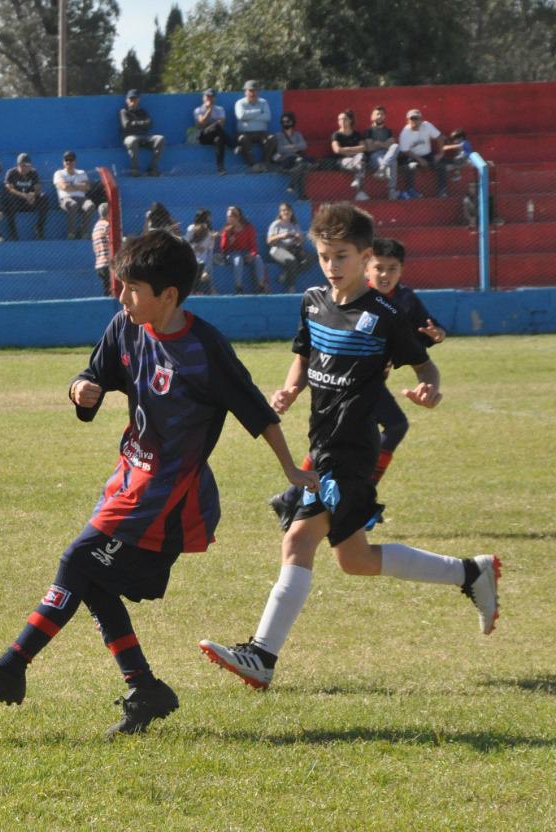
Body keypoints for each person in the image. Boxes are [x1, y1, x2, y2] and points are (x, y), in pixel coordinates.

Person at [0, 230, 319, 737]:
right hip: (126, 481)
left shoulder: (204, 348)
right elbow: (92, 377)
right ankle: (145, 689)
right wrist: (81, 391)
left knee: (78, 562)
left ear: (169, 296)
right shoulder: (125, 325)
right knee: (92, 581)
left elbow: (254, 409)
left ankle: (11, 670)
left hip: (170, 500)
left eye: (133, 288)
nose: (121, 297)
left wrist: (291, 468)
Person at [199, 204, 500, 691]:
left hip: (351, 450)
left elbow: (423, 365)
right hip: (321, 443)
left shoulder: (383, 315)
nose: (332, 265)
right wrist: (291, 388)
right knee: (354, 559)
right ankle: (470, 573)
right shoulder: (314, 300)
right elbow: (304, 352)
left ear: (366, 256)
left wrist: (430, 388)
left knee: (297, 541)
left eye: (342, 255)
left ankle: (261, 655)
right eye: (324, 255)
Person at [270, 236, 445, 532]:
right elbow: (304, 355)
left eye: (393, 269)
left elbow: (427, 344)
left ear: (402, 271)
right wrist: (292, 388)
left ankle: (298, 496)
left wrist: (437, 335)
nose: (386, 275)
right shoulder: (347, 300)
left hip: (370, 383)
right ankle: (356, 496)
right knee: (376, 430)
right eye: (380, 268)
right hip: (349, 384)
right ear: (366, 266)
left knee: (340, 438)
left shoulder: (403, 302)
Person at [398, 109, 448, 199]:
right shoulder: (404, 133)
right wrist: (419, 160)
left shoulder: (427, 126)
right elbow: (405, 151)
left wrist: (440, 153)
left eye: (416, 118)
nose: (414, 121)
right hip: (412, 156)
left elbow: (439, 137)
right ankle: (411, 190)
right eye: (412, 119)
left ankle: (442, 190)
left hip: (427, 154)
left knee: (441, 165)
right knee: (411, 166)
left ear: (420, 119)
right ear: (407, 120)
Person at [219, 205, 269, 293]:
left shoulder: (248, 228)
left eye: (230, 216)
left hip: (245, 253)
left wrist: (252, 254)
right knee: (238, 260)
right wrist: (229, 242)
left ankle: (261, 286)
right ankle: (238, 287)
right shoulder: (227, 230)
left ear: (237, 217)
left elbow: (253, 245)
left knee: (258, 259)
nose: (227, 218)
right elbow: (223, 249)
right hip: (232, 254)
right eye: (227, 216)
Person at [2, 152, 48, 241]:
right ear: (18, 165)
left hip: (30, 201)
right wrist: (24, 195)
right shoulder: (11, 173)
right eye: (23, 165)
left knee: (44, 197)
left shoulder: (33, 172)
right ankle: (13, 232)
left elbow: (38, 188)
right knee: (9, 199)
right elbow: (9, 189)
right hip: (17, 202)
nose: (25, 168)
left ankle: (39, 227)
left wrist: (33, 194)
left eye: (27, 165)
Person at [120, 89, 165, 177]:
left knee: (160, 139)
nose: (133, 101)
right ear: (127, 100)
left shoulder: (143, 111)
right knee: (133, 140)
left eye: (135, 99)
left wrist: (135, 123)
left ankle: (152, 168)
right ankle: (135, 169)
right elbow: (126, 125)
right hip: (130, 137)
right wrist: (141, 123)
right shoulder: (124, 111)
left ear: (138, 100)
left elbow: (149, 124)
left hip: (144, 137)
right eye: (131, 99)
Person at [53, 150, 97, 239]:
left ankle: (84, 232)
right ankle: (71, 233)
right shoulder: (59, 173)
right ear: (63, 162)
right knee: (73, 205)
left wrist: (71, 185)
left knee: (90, 205)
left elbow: (87, 187)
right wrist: (79, 186)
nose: (68, 162)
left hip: (81, 198)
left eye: (71, 160)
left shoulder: (81, 172)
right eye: (66, 160)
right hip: (66, 198)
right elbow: (64, 187)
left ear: (75, 162)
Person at [234, 80, 276, 172]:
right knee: (242, 139)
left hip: (261, 133)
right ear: (245, 92)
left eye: (255, 90)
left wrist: (248, 116)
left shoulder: (263, 102)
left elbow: (268, 117)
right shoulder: (240, 103)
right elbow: (241, 116)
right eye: (250, 90)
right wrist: (259, 112)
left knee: (272, 139)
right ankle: (254, 165)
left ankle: (265, 163)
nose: (253, 93)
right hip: (244, 133)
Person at [266, 202, 310, 289]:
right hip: (277, 249)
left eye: (288, 210)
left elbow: (301, 242)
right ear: (280, 213)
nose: (286, 212)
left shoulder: (295, 225)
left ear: (291, 212)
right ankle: (291, 286)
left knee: (310, 259)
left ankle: (286, 275)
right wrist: (281, 236)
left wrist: (300, 238)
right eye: (283, 210)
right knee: (292, 260)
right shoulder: (276, 224)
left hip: (292, 249)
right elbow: (269, 241)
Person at [193, 89, 237, 175]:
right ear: (203, 98)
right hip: (203, 136)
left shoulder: (220, 109)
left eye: (211, 97)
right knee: (216, 126)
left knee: (219, 139)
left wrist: (213, 122)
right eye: (207, 96)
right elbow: (202, 124)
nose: (210, 98)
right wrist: (209, 110)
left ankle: (220, 168)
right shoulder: (198, 110)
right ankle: (233, 146)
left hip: (215, 136)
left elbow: (222, 124)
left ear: (214, 98)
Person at [362, 106, 400, 199]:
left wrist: (378, 143)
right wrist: (384, 144)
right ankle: (392, 190)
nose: (379, 116)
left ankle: (382, 169)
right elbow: (370, 148)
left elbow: (391, 145)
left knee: (396, 146)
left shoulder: (388, 131)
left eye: (381, 114)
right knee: (393, 162)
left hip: (387, 155)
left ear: (384, 117)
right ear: (372, 117)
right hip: (374, 157)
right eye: (377, 114)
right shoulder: (368, 131)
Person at [329, 110, 368, 201]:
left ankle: (358, 183)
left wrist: (346, 150)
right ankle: (360, 191)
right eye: (340, 119)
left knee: (361, 157)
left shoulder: (357, 134)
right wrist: (353, 150)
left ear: (350, 120)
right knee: (360, 163)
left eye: (344, 119)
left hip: (357, 158)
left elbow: (363, 148)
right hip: (343, 161)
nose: (342, 121)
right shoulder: (336, 135)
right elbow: (337, 150)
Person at [272, 112, 312, 199]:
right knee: (302, 167)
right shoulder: (279, 135)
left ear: (292, 122)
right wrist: (295, 147)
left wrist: (289, 147)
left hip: (297, 161)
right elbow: (280, 149)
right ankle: (301, 194)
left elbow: (304, 145)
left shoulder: (297, 134)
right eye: (283, 121)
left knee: (301, 167)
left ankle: (292, 186)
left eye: (287, 121)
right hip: (286, 161)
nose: (285, 123)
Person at [186, 209, 216, 295]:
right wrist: (195, 247)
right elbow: (186, 243)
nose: (210, 219)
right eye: (208, 217)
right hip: (192, 255)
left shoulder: (210, 231)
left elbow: (210, 248)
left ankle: (205, 288)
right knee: (197, 264)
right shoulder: (191, 228)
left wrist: (212, 238)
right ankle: (197, 290)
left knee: (207, 261)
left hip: (204, 257)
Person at [91, 203, 113, 296]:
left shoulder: (96, 227)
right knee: (112, 288)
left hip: (99, 263)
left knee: (107, 289)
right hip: (108, 263)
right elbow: (113, 241)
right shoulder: (107, 225)